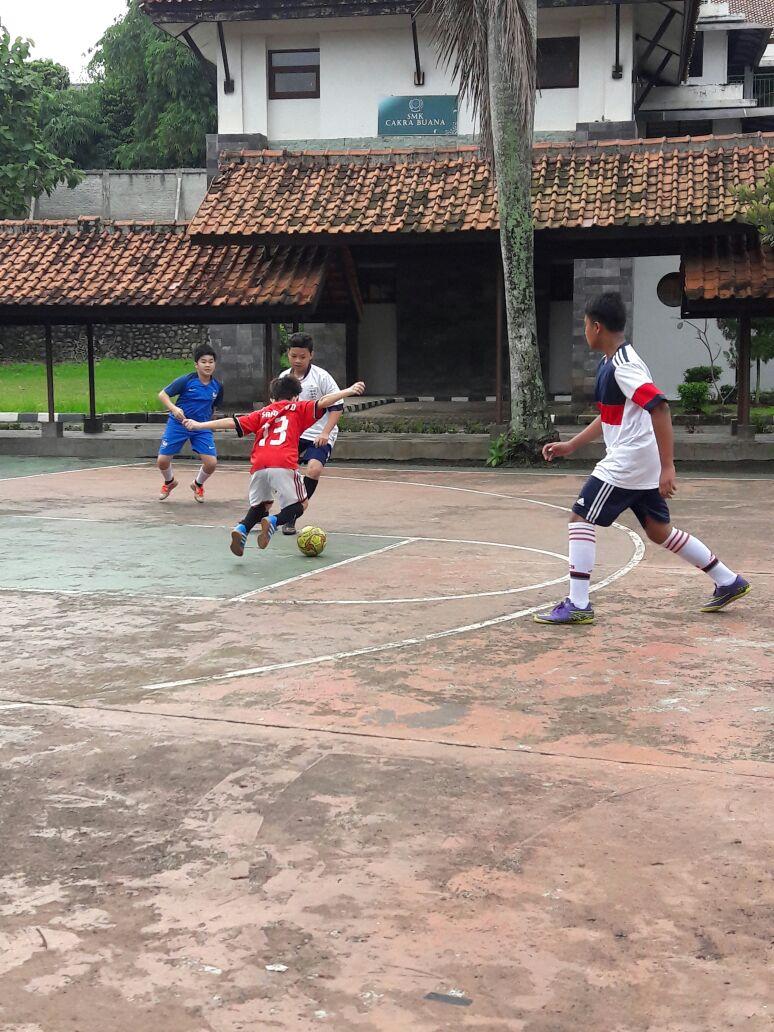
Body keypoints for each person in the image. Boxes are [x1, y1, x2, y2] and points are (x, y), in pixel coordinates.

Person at [535, 292, 750, 625]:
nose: (584, 332)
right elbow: (609, 417)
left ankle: (578, 604)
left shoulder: (623, 366)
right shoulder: (613, 362)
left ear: (596, 327)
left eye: (584, 326)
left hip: (629, 461)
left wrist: (668, 466)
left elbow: (660, 406)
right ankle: (727, 580)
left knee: (580, 518)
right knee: (659, 530)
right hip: (639, 460)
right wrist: (571, 445)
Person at [184, 375, 365, 553]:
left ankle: (242, 528)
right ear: (295, 396)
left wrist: (199, 425)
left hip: (259, 464)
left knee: (261, 506)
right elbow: (324, 402)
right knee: (301, 505)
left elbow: (232, 422)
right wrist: (347, 391)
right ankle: (274, 521)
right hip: (282, 461)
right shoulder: (298, 407)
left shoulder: (262, 413)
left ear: (273, 397)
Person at [276, 331, 346, 535]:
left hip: (319, 433)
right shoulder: (283, 378)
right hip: (293, 433)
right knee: (275, 470)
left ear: (311, 355)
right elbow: (278, 408)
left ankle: (292, 516)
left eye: (302, 357)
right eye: (293, 356)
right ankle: (259, 513)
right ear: (288, 354)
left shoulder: (322, 377)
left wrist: (325, 433)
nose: (297, 360)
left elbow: (337, 407)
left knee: (313, 470)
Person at [156, 343, 223, 503]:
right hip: (178, 424)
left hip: (201, 426)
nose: (208, 365)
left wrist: (207, 424)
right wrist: (174, 409)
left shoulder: (217, 386)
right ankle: (169, 482)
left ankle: (198, 484)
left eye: (211, 361)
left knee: (211, 463)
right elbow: (162, 394)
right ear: (196, 364)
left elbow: (213, 407)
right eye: (203, 361)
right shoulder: (186, 380)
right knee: (162, 461)